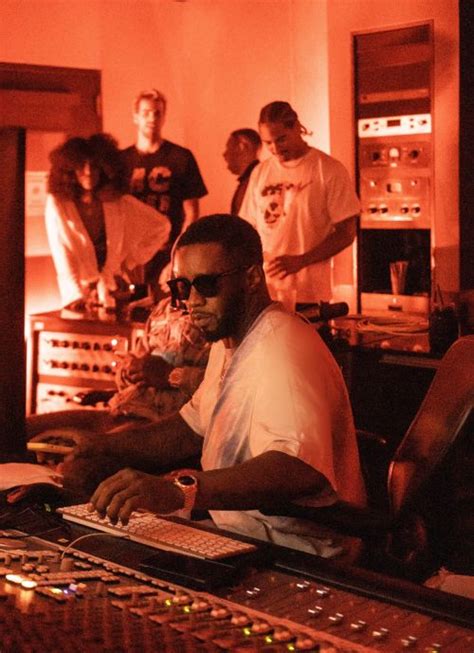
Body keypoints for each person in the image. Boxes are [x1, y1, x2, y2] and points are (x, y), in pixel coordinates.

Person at [64, 214, 366, 557]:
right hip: (240, 534)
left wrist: (180, 491)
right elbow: (188, 430)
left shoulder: (284, 346)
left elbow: (297, 469)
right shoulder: (230, 342)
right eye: (181, 287)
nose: (192, 300)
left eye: (206, 284)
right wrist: (102, 446)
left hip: (297, 551)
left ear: (252, 278)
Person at [27, 296, 210, 438]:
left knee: (86, 453)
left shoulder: (215, 316)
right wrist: (130, 372)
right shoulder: (165, 308)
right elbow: (129, 373)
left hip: (163, 423)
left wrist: (169, 375)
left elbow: (220, 389)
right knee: (22, 429)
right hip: (119, 410)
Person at [240, 101, 360, 307]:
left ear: (297, 127)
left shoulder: (328, 169)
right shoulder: (261, 172)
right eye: (268, 143)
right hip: (266, 291)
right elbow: (247, 227)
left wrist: (302, 260)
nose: (276, 148)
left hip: (309, 293)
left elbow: (347, 233)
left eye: (281, 139)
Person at [46, 133, 170, 311]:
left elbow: (161, 226)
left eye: (94, 166)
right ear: (69, 170)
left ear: (106, 169)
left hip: (115, 291)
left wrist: (128, 262)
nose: (88, 171)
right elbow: (61, 252)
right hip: (80, 296)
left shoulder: (117, 202)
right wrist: (76, 295)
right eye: (81, 165)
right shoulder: (58, 204)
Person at [121, 89, 208, 288]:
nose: (152, 118)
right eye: (146, 113)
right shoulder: (121, 161)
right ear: (135, 116)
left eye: (157, 113)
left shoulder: (181, 157)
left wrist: (178, 258)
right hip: (130, 257)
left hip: (167, 254)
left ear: (164, 116)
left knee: (169, 305)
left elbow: (192, 214)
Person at [223, 128, 261, 215]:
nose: (224, 154)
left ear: (242, 147)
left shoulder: (254, 181)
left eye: (229, 147)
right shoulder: (253, 179)